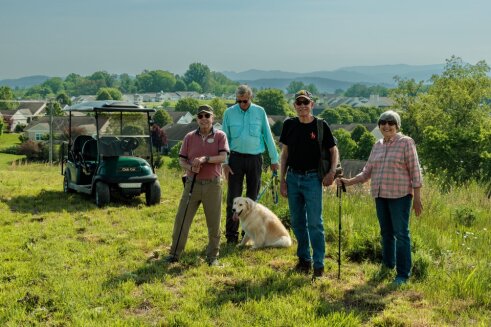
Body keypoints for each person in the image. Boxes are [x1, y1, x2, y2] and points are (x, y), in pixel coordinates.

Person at [336, 110, 423, 286]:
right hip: (380, 195)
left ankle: (402, 275)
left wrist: (417, 198)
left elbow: (415, 171)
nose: (386, 125)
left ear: (397, 125)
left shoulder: (406, 143)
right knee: (386, 233)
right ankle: (387, 265)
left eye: (391, 122)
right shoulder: (377, 145)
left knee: (401, 234)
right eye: (383, 122)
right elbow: (367, 171)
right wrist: (348, 181)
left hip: (400, 196)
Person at [279, 90, 339, 279]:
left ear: (312, 104)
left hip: (314, 179)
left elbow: (333, 150)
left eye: (306, 102)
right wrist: (282, 180)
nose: (302, 106)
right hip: (293, 178)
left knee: (315, 223)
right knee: (297, 222)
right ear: (294, 106)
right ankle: (304, 260)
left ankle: (319, 265)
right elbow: (285, 154)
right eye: (299, 103)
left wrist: (331, 173)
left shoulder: (321, 125)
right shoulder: (289, 124)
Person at [165, 105, 229, 266]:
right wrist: (190, 167)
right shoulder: (189, 137)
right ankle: (174, 254)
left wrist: (205, 159)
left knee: (214, 222)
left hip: (212, 185)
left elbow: (222, 157)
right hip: (192, 183)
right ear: (196, 119)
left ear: (212, 118)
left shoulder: (220, 136)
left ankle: (212, 256)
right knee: (182, 218)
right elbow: (181, 160)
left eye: (207, 115)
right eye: (200, 116)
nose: (204, 119)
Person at [222, 84, 280, 244]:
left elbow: (268, 136)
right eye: (238, 101)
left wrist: (274, 160)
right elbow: (224, 139)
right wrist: (225, 163)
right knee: (233, 199)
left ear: (250, 98)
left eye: (245, 101)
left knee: (252, 200)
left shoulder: (260, 112)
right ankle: (231, 236)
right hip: (235, 159)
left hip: (255, 159)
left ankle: (247, 235)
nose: (241, 104)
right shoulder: (229, 113)